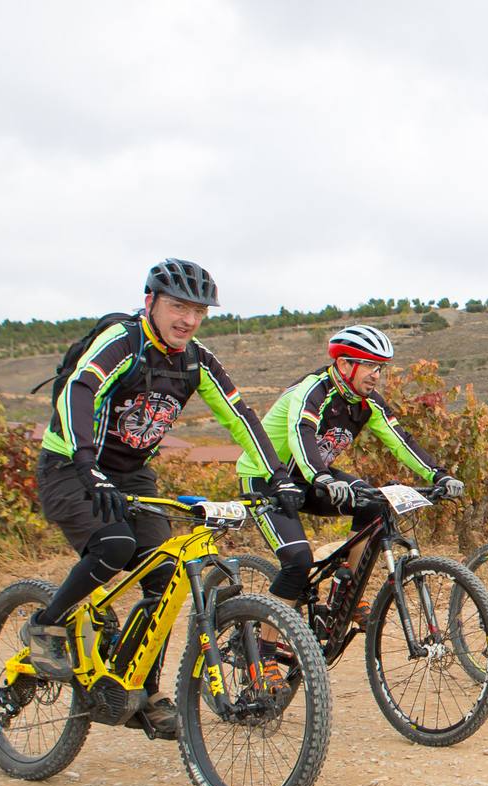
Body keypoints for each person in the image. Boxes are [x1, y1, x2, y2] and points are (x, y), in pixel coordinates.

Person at [26, 258, 302, 738]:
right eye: (178, 307)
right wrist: (88, 463)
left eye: (198, 311)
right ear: (150, 301)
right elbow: (80, 390)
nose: (188, 320)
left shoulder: (196, 360)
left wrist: (276, 475)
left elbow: (240, 415)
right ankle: (46, 624)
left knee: (164, 577)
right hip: (70, 464)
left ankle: (142, 692)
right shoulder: (124, 343)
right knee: (112, 545)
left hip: (131, 475)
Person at [236, 324, 464, 613]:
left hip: (313, 478)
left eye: (380, 367)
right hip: (266, 477)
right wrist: (321, 476)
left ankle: (345, 599)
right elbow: (301, 431)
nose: (376, 374)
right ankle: (265, 650)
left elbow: (401, 441)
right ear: (344, 363)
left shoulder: (369, 403)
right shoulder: (313, 390)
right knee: (298, 562)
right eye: (369, 365)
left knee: (372, 503)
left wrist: (438, 474)